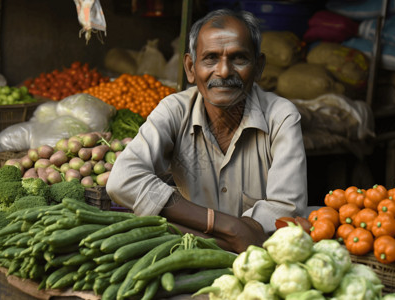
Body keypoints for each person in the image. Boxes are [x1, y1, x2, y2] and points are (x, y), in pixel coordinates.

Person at [106, 8, 308, 253]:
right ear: (191, 68)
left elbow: (286, 209)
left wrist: (194, 230)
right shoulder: (174, 110)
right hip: (191, 255)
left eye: (239, 58)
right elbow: (122, 179)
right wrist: (229, 228)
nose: (223, 72)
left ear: (258, 67)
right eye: (211, 58)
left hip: (256, 261)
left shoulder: (281, 116)